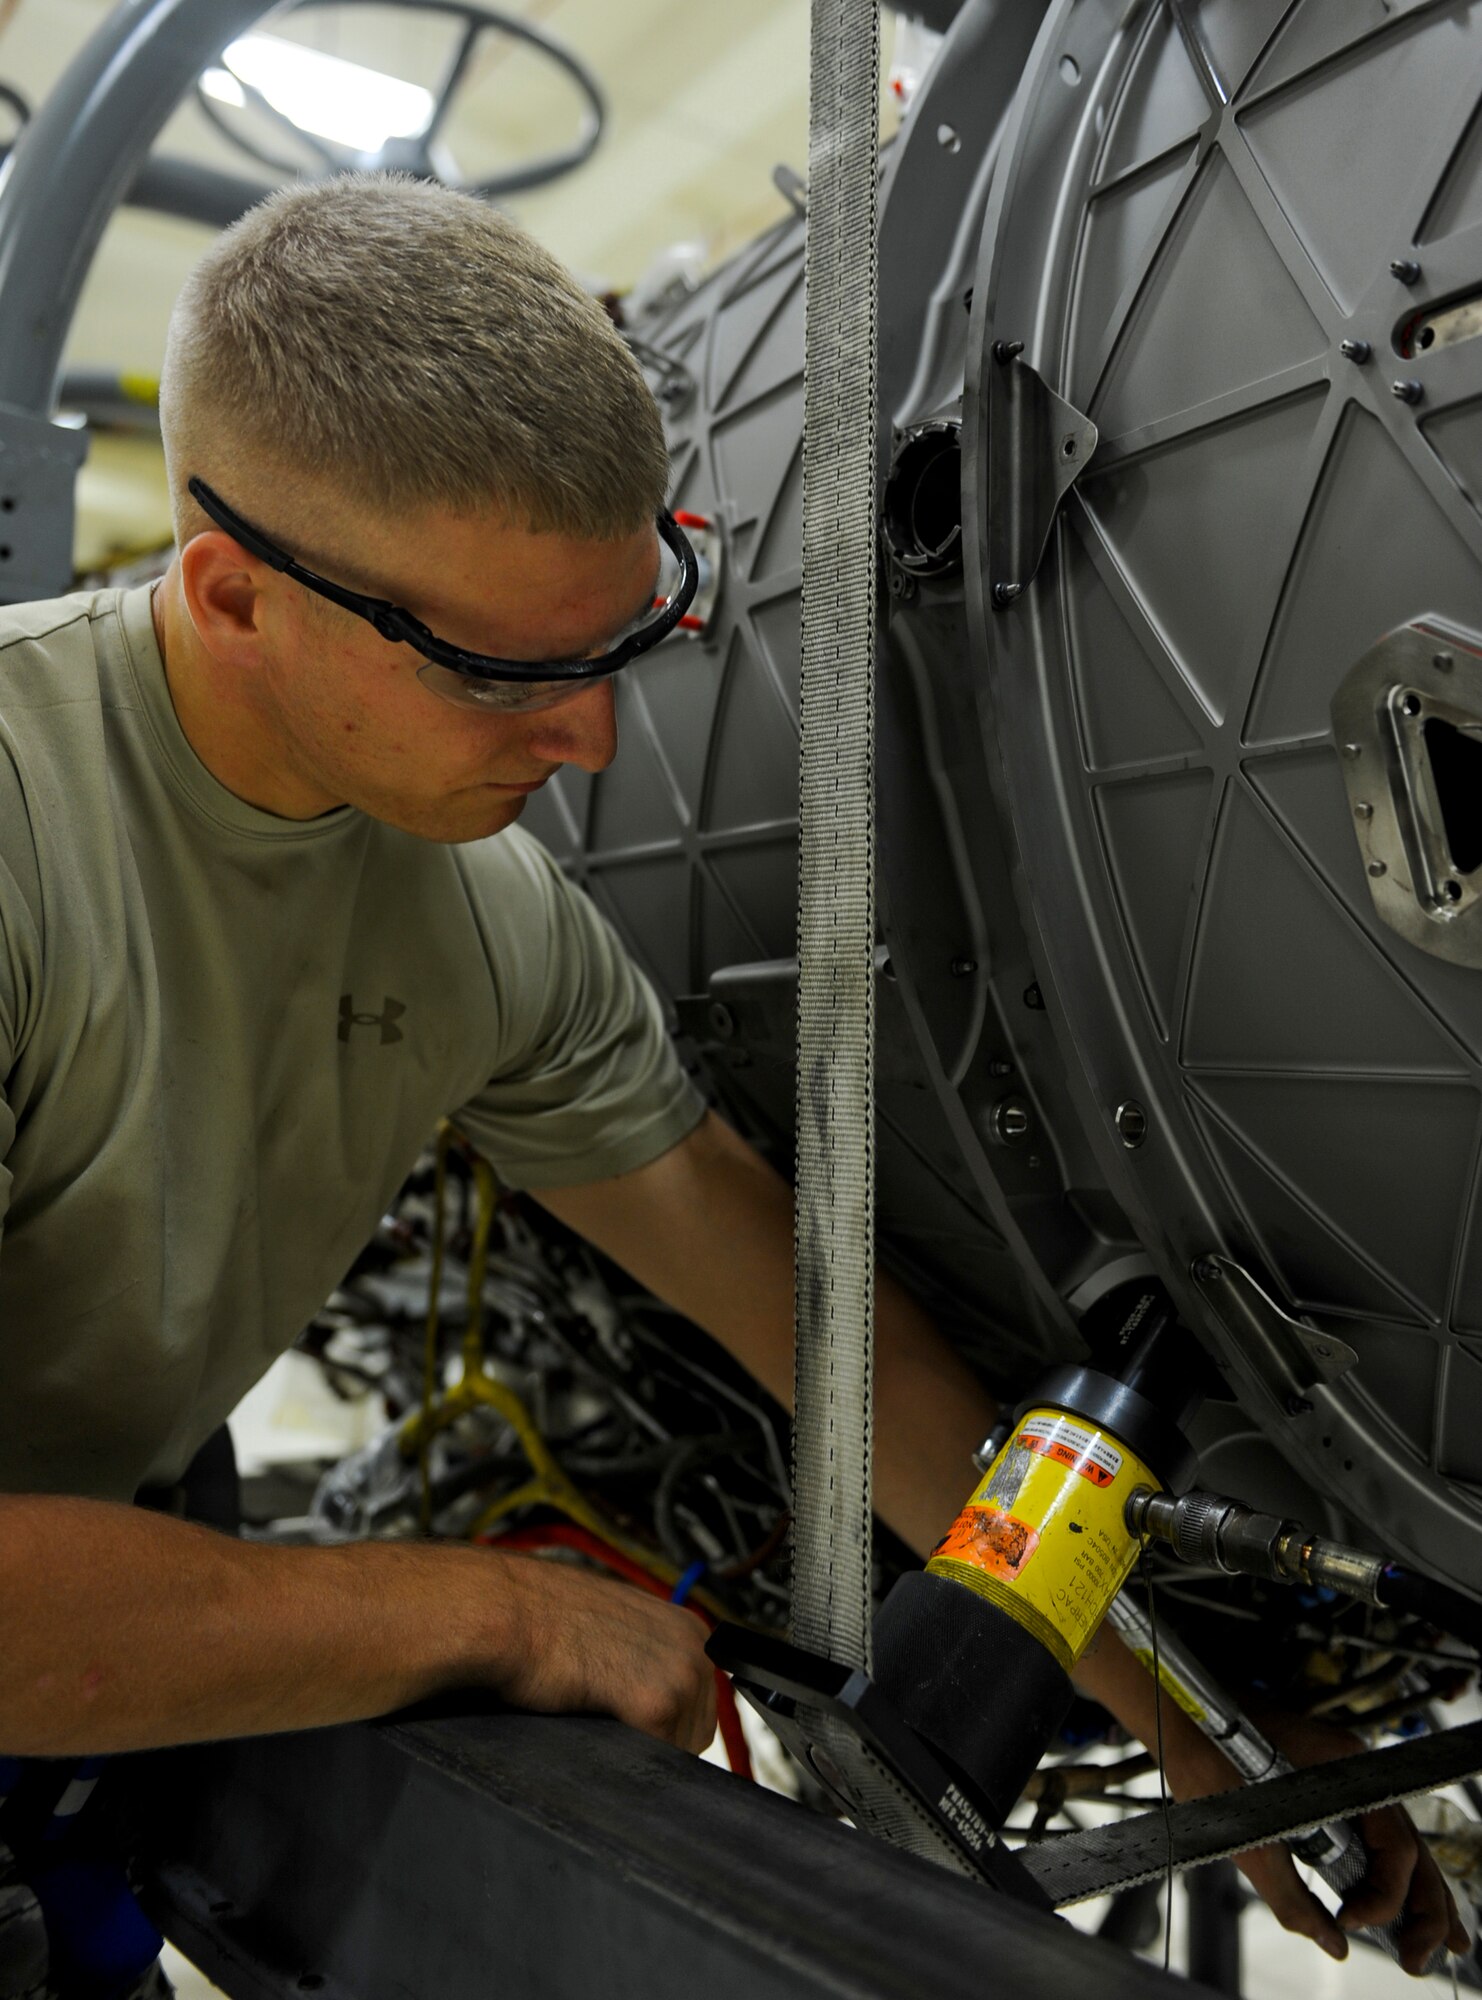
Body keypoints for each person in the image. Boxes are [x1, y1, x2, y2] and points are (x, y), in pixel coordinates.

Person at [0, 173, 1461, 1976]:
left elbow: (824, 1344)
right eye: (501, 668)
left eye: (633, 627)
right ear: (231, 599)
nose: (593, 734)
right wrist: (486, 1614)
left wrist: (1196, 1717)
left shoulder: (483, 909)